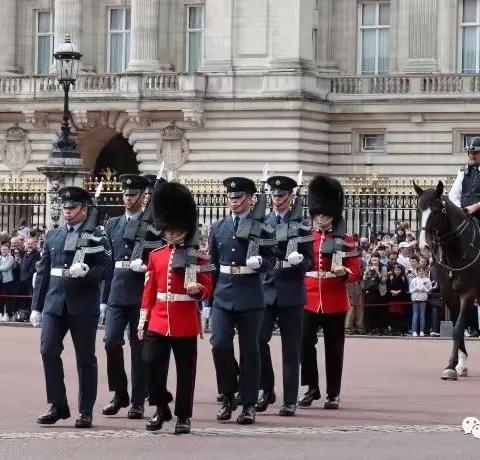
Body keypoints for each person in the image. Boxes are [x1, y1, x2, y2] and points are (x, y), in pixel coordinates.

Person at [30, 186, 112, 428]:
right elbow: (44, 271)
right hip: (55, 303)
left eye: (73, 207)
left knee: (85, 358)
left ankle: (85, 410)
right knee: (47, 350)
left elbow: (107, 268)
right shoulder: (53, 235)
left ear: (84, 209)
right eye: (65, 207)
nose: (67, 212)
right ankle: (58, 404)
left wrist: (87, 272)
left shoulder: (97, 235)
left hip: (83, 304)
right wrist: (36, 306)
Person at [138, 180, 213, 434]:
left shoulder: (197, 255)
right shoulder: (156, 255)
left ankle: (183, 416)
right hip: (158, 320)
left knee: (185, 372)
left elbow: (208, 286)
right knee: (150, 364)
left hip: (184, 321)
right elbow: (150, 289)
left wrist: (198, 291)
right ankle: (161, 407)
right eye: (166, 229)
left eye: (174, 229)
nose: (169, 233)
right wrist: (143, 319)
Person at [209, 176, 275, 425]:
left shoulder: (263, 227)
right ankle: (227, 395)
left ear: (249, 199)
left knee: (250, 351)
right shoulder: (218, 227)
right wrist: (208, 299)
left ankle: (248, 404)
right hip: (223, 294)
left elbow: (271, 258)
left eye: (238, 197)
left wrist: (261, 264)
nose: (233, 201)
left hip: (250, 295)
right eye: (231, 197)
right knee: (219, 344)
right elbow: (214, 265)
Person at [299, 175, 361, 410]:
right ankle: (311, 388)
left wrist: (344, 272)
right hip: (308, 298)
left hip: (335, 300)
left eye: (326, 216)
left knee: (334, 350)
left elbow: (355, 273)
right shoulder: (305, 238)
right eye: (319, 215)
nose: (322, 220)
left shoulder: (346, 240)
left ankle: (333, 393)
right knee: (304, 344)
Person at [101, 174, 158, 420]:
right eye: (125, 194)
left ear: (143, 196)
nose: (128, 199)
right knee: (111, 341)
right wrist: (104, 297)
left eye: (132, 194)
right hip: (116, 291)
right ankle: (119, 392)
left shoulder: (152, 223)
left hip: (140, 292)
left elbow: (160, 256)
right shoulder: (113, 224)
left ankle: (137, 401)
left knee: (139, 348)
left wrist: (146, 266)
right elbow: (109, 262)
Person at [256, 175, 313, 417]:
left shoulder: (302, 224)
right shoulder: (262, 221)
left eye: (281, 195)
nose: (277, 199)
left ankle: (289, 399)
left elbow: (310, 259)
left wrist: (300, 263)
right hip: (267, 288)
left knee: (291, 349)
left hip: (291, 289)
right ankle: (266, 389)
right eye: (274, 195)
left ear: (291, 197)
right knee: (258, 341)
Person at [449, 136, 480, 219]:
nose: (472, 157)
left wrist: (477, 206)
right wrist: (460, 210)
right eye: (470, 153)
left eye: (476, 153)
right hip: (465, 217)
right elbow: (453, 195)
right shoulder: (463, 171)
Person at [409, 266, 432, 337]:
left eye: (422, 271)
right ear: (417, 271)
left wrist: (424, 289)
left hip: (423, 299)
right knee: (415, 315)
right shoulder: (414, 280)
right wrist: (416, 289)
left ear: (425, 271)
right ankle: (414, 331)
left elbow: (430, 289)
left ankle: (422, 330)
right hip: (415, 299)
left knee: (422, 315)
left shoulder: (427, 280)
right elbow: (410, 290)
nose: (421, 272)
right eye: (419, 271)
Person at [386, 264, 409, 335]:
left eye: (399, 270)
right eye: (396, 270)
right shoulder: (390, 277)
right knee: (393, 314)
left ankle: (400, 330)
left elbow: (406, 288)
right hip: (392, 299)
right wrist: (391, 291)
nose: (397, 271)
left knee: (400, 315)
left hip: (401, 299)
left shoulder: (403, 277)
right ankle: (393, 329)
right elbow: (387, 287)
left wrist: (399, 291)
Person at [0, 243, 15, 321]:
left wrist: (1, 267)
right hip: (0, 281)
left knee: (7, 298)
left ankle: (7, 314)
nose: (4, 251)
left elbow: (6, 267)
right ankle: (1, 313)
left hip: (8, 281)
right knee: (0, 298)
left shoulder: (11, 258)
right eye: (3, 249)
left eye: (6, 249)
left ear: (8, 250)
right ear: (1, 250)